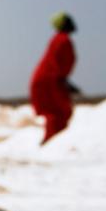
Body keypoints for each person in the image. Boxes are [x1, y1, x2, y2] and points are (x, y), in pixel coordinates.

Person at [30, 12, 80, 144]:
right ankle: (51, 143)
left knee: (59, 113)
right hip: (48, 80)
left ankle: (52, 142)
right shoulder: (62, 40)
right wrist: (62, 81)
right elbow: (56, 63)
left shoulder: (60, 39)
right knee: (57, 112)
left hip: (50, 79)